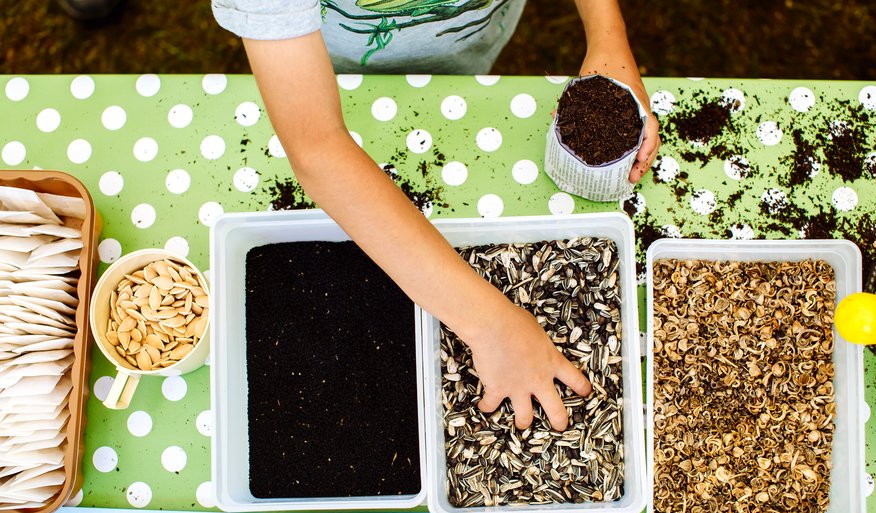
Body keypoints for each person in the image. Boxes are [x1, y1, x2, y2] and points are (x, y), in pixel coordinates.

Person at [212, 0, 661, 432]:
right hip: (329, 54)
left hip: (473, 35)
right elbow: (316, 147)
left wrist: (607, 37)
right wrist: (492, 325)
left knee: (466, 62)